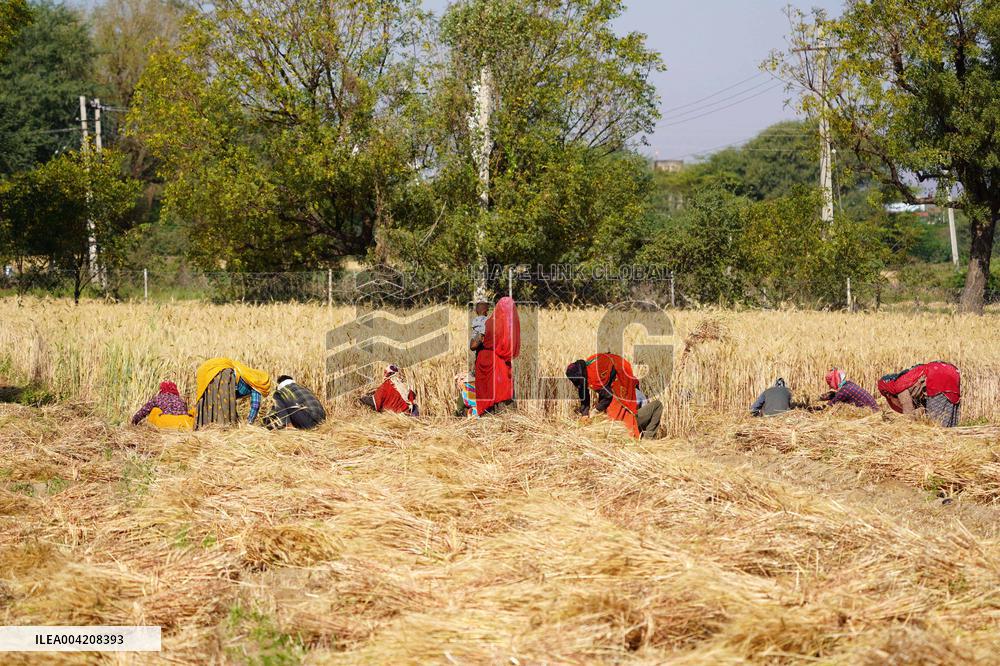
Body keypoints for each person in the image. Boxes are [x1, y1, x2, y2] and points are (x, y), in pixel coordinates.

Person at [565, 353, 663, 439]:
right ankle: (645, 437)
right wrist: (585, 413)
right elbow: (584, 391)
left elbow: (608, 395)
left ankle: (645, 439)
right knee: (652, 406)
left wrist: (596, 410)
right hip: (614, 374)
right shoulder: (585, 373)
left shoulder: (595, 378)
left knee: (634, 404)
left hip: (623, 372)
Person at [473, 296, 520, 415]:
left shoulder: (488, 324)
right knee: (503, 391)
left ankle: (488, 418)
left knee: (487, 393)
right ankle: (505, 419)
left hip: (486, 362)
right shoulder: (511, 329)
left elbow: (473, 345)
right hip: (502, 364)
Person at [878, 361, 961, 427]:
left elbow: (908, 413)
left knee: (936, 425)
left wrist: (904, 429)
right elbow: (922, 408)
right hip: (951, 371)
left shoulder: (899, 386)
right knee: (949, 419)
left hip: (936, 376)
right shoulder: (906, 377)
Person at [194, 357, 271, 428]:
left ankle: (204, 426)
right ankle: (222, 429)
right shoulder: (257, 383)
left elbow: (232, 400)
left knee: (210, 400)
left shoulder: (248, 375)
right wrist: (249, 423)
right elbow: (255, 405)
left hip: (210, 372)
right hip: (223, 375)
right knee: (223, 408)